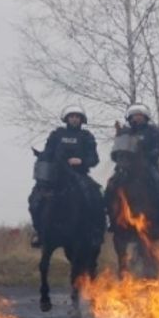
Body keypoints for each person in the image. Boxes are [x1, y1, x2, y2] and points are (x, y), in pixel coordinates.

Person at [29, 104, 103, 248]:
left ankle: (95, 230)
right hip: (56, 176)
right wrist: (43, 157)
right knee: (35, 198)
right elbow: (48, 152)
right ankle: (39, 231)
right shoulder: (57, 134)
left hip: (79, 174)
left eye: (77, 117)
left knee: (97, 195)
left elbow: (94, 158)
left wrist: (81, 161)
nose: (74, 119)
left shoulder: (86, 136)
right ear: (67, 119)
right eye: (72, 116)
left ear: (82, 120)